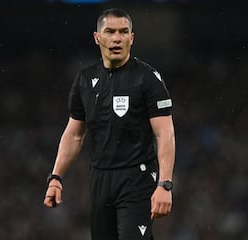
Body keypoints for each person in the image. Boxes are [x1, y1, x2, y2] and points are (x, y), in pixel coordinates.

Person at [43, 8, 175, 240]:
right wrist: (56, 178)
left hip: (138, 177)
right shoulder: (84, 80)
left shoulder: (147, 78)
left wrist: (164, 184)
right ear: (97, 37)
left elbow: (165, 134)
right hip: (99, 179)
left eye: (124, 32)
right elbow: (74, 134)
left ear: (132, 38)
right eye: (110, 31)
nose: (116, 38)